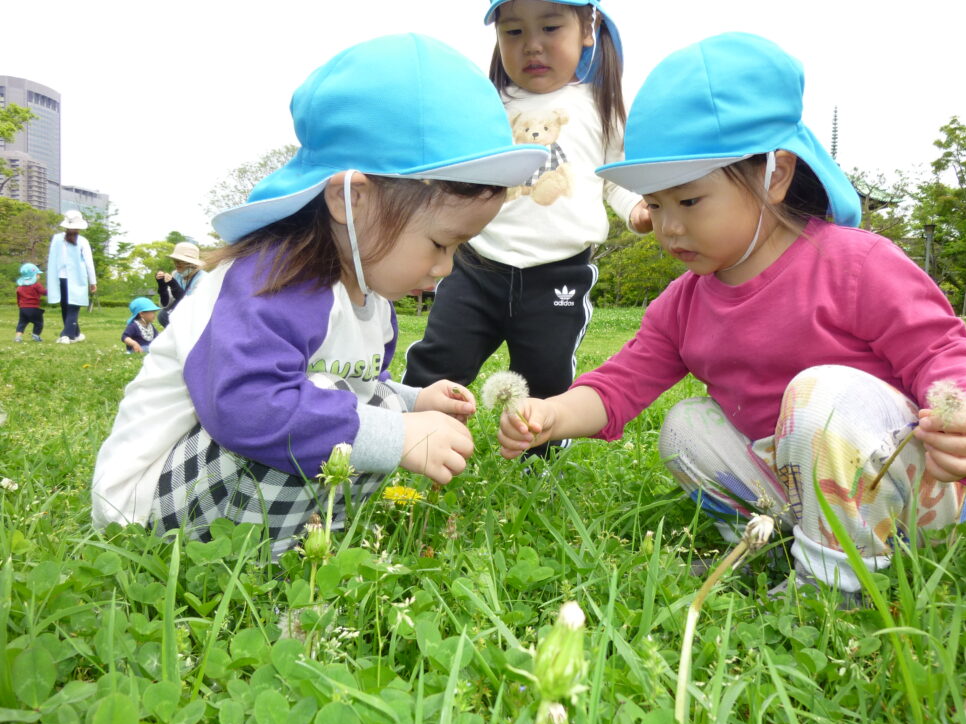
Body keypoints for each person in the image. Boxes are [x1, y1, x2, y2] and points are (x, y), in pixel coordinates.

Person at [496, 33, 966, 603]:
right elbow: (621, 384)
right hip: (796, 483)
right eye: (657, 205)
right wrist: (550, 414)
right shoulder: (685, 303)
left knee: (822, 392)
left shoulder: (855, 264)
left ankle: (839, 584)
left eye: (688, 201)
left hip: (909, 487)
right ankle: (772, 541)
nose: (667, 227)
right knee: (685, 428)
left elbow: (944, 350)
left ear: (776, 174)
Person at [91, 34, 547, 557]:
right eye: (441, 244)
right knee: (359, 417)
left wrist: (413, 401)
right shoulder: (272, 278)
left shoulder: (370, 299)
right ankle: (267, 562)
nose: (444, 269)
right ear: (351, 199)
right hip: (148, 506)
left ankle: (302, 550)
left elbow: (358, 385)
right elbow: (249, 406)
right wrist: (398, 434)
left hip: (219, 494)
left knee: (366, 405)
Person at [403, 0, 650, 457]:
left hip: (559, 273)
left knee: (546, 374)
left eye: (551, 27)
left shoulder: (601, 105)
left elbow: (618, 176)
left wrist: (637, 209)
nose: (532, 45)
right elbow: (458, 173)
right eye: (513, 32)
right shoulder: (488, 103)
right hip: (477, 264)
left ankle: (538, 467)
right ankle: (404, 438)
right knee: (441, 357)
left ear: (587, 31)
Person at [46, 210, 96, 344]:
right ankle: (66, 335)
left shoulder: (56, 239)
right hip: (77, 278)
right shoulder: (82, 241)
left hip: (60, 277)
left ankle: (76, 334)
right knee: (74, 307)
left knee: (66, 307)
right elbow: (89, 263)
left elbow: (52, 259)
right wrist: (93, 282)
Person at [155, 241, 205, 327]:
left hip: (196, 319)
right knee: (163, 315)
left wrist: (174, 285)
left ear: (192, 263)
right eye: (175, 260)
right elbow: (166, 304)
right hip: (180, 317)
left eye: (181, 261)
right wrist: (162, 286)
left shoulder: (202, 279)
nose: (176, 263)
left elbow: (192, 306)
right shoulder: (176, 274)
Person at [14, 263, 47, 342]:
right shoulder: (36, 285)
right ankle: (36, 335)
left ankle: (18, 337)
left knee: (22, 323)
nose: (39, 276)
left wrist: (20, 306)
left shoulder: (20, 287)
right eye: (37, 274)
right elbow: (44, 292)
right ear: (33, 275)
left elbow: (18, 298)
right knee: (38, 322)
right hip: (33, 308)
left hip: (23, 309)